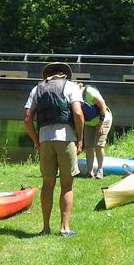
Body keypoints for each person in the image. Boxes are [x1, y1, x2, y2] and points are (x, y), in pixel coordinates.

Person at [23, 62, 84, 235]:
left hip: (44, 139)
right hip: (66, 139)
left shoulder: (37, 89)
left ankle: (45, 228)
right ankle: (64, 228)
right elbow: (78, 113)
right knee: (67, 184)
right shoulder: (71, 86)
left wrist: (36, 140)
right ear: (64, 74)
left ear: (47, 75)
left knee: (47, 183)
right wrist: (80, 138)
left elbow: (27, 119)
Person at [78, 81, 112, 178]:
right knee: (89, 146)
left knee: (98, 145)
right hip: (89, 122)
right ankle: (89, 172)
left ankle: (100, 170)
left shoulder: (89, 92)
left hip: (103, 119)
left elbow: (103, 106)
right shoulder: (73, 97)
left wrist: (100, 124)